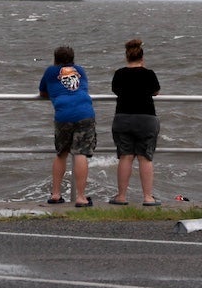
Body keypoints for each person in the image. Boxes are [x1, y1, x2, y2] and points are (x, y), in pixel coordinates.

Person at [36, 44, 96, 206]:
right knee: (81, 153)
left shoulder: (50, 71)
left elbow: (43, 92)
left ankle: (55, 194)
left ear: (55, 59)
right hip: (85, 112)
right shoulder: (80, 70)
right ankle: (81, 197)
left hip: (63, 114)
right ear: (73, 59)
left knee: (61, 153)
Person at [109, 36, 162, 206]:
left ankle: (122, 196)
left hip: (123, 117)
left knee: (125, 157)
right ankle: (148, 197)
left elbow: (116, 91)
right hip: (146, 118)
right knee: (145, 157)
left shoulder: (119, 74)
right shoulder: (149, 74)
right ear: (142, 57)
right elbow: (156, 92)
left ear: (127, 56)